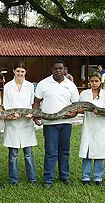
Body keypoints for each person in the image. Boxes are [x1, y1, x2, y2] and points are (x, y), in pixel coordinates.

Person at [33, 59, 79, 189]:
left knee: (64, 151)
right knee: (51, 151)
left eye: (61, 68)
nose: (58, 71)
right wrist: (36, 116)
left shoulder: (71, 85)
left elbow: (76, 105)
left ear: (65, 69)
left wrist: (73, 114)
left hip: (66, 123)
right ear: (51, 70)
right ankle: (48, 179)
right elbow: (37, 101)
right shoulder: (43, 84)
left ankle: (65, 176)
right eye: (56, 68)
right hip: (50, 123)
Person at [3, 61, 38, 186]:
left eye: (22, 71)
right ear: (13, 71)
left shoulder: (30, 86)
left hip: (26, 123)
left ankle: (32, 179)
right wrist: (12, 114)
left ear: (25, 72)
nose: (20, 73)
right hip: (13, 123)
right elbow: (6, 104)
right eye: (18, 71)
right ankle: (13, 180)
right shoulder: (7, 86)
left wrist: (31, 113)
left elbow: (31, 103)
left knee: (28, 153)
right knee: (13, 154)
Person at [78, 72, 105, 186]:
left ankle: (98, 177)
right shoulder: (84, 94)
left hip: (100, 127)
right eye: (92, 81)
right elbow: (80, 108)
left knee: (99, 152)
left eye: (96, 81)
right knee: (87, 152)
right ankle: (85, 176)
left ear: (100, 82)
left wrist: (99, 112)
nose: (94, 83)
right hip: (88, 125)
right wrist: (81, 110)